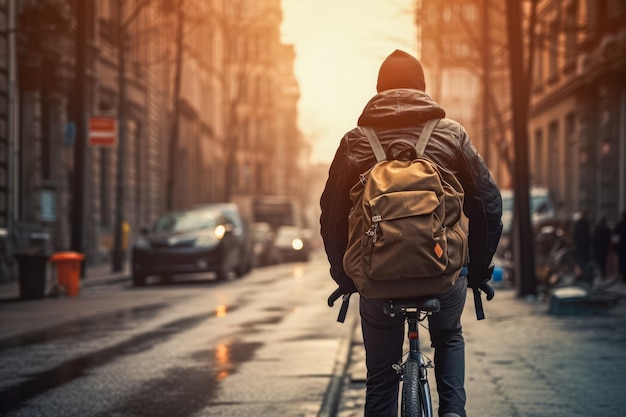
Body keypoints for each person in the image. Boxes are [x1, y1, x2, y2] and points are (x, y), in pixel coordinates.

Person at [320, 49, 502, 417]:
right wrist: (478, 270)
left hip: (377, 278)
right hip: (443, 273)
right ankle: (453, 411)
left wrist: (346, 276)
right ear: (423, 89)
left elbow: (332, 215)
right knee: (449, 335)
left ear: (378, 90)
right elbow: (487, 204)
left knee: (381, 376)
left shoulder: (356, 141)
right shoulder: (451, 135)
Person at [614, 211, 626, 282]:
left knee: (622, 261)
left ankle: (623, 276)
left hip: (621, 247)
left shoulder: (619, 225)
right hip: (622, 246)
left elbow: (615, 237)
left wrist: (615, 246)